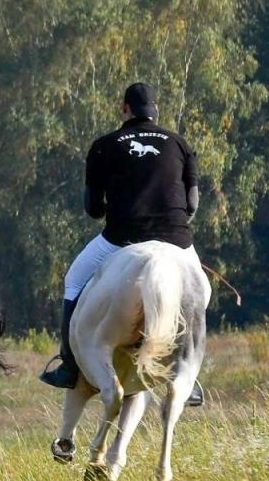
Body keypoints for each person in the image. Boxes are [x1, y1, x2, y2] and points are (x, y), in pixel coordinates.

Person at [41, 82, 204, 405]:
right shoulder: (179, 143)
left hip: (122, 239)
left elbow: (93, 209)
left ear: (124, 109)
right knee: (200, 293)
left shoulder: (105, 145)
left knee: (73, 281)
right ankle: (188, 373)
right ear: (155, 110)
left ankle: (69, 365)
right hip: (177, 240)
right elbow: (193, 203)